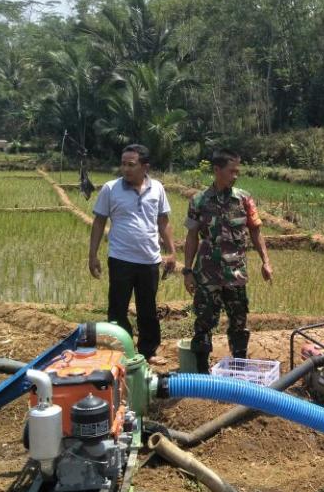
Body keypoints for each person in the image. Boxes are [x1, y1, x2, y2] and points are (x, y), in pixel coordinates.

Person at [183, 149, 273, 372]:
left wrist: (266, 261)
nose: (235, 175)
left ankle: (239, 367)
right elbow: (192, 236)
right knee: (203, 321)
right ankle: (202, 371)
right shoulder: (198, 200)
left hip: (236, 273)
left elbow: (256, 232)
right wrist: (187, 271)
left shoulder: (244, 199)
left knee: (239, 322)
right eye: (231, 171)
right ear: (217, 170)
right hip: (207, 273)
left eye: (237, 171)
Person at [89, 144, 175, 358]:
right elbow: (99, 222)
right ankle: (121, 351)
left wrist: (172, 252)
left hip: (149, 260)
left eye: (131, 164)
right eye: (123, 164)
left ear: (145, 167)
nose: (126, 169)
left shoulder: (157, 189)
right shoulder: (111, 188)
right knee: (117, 309)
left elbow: (163, 221)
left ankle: (148, 351)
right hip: (120, 259)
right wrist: (93, 255)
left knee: (147, 309)